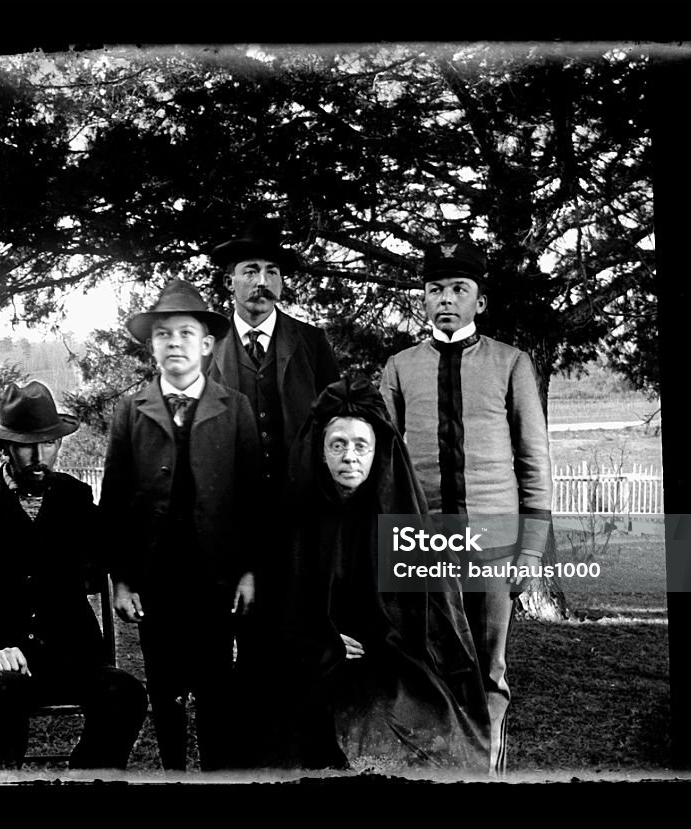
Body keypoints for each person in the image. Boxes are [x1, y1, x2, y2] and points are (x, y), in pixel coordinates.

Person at [379, 239, 552, 775]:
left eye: (459, 289)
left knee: (488, 668)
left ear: (479, 301)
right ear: (423, 300)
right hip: (424, 546)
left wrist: (530, 551)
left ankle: (487, 772)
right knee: (426, 665)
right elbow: (384, 465)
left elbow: (534, 460)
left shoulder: (510, 363)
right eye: (435, 290)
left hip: (495, 547)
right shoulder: (401, 367)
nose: (446, 299)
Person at [0, 380, 149, 772]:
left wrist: (124, 580)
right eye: (27, 444)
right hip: (1, 665)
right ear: (4, 446)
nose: (40, 456)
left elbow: (115, 545)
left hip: (70, 658)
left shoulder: (75, 498)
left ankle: (85, 779)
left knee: (125, 693)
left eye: (49, 443)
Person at [272, 376, 491, 772]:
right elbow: (282, 611)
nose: (350, 457)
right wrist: (321, 642)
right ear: (321, 453)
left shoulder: (401, 521)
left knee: (401, 731)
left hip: (390, 666)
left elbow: (425, 624)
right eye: (337, 445)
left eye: (361, 446)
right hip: (312, 666)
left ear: (378, 453)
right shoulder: (298, 522)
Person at [99, 279, 261, 772]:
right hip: (156, 581)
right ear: (151, 346)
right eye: (163, 334)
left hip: (216, 579)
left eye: (186, 333)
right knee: (164, 687)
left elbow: (254, 497)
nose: (175, 344)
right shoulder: (132, 410)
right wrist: (122, 580)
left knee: (216, 686)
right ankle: (172, 773)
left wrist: (250, 571)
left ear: (207, 344)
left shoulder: (235, 408)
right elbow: (116, 500)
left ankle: (215, 776)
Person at [204, 219, 340, 762]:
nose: (262, 282)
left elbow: (337, 422)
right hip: (229, 524)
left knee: (300, 636)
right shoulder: (207, 349)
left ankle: (301, 754)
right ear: (229, 283)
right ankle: (242, 757)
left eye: (273, 272)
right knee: (236, 645)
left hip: (299, 521)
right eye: (250, 271)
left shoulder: (311, 343)